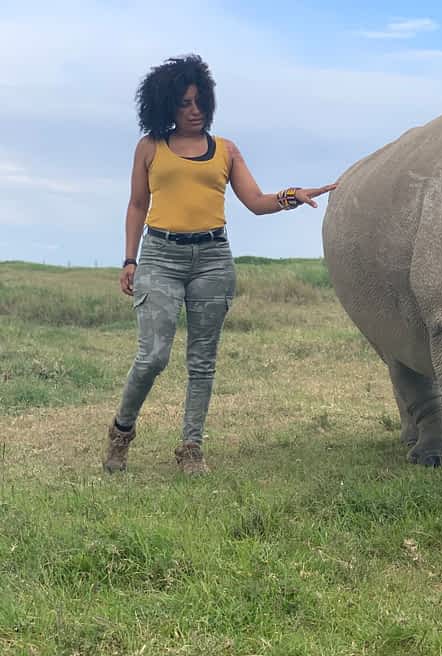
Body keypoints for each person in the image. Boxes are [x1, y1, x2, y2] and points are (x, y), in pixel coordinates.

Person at [103, 54, 336, 475]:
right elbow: (137, 205)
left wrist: (291, 196)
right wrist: (129, 259)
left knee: (203, 359)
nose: (195, 111)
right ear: (166, 107)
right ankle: (121, 432)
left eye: (200, 102)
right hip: (160, 256)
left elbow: (256, 201)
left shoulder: (226, 150)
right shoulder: (149, 148)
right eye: (184, 103)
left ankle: (191, 447)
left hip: (212, 259)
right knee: (153, 356)